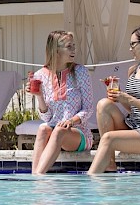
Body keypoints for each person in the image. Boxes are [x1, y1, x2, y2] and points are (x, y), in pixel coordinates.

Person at [88, 25, 140, 175]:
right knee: (104, 104)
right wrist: (120, 97)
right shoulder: (132, 70)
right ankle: (109, 164)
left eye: (132, 44)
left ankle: (90, 183)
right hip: (132, 125)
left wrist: (129, 99)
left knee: (108, 138)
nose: (130, 49)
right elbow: (132, 109)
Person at [27, 30, 93, 174]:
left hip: (78, 133)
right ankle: (35, 178)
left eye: (74, 46)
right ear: (56, 50)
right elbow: (47, 118)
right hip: (54, 131)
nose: (74, 50)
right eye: (69, 46)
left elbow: (88, 109)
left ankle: (38, 177)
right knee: (43, 129)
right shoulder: (40, 75)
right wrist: (39, 96)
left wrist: (71, 121)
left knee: (59, 130)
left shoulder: (81, 72)